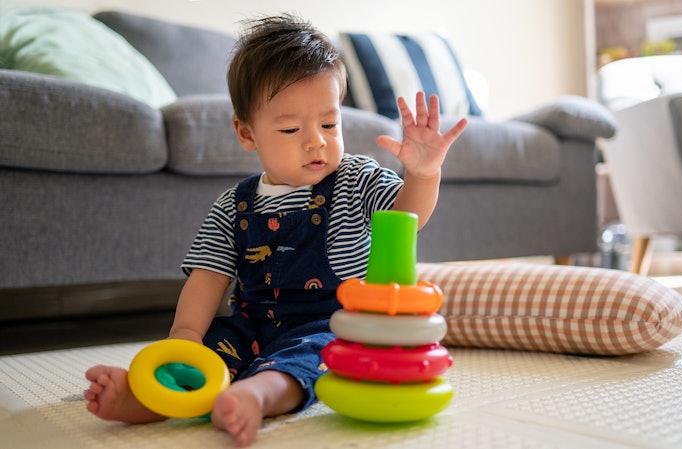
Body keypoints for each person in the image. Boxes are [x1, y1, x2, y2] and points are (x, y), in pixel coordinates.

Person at [84, 13, 467, 447]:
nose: (316, 141)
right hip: (252, 322)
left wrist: (422, 174)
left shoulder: (357, 179)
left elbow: (406, 217)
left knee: (310, 356)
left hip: (332, 323)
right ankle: (151, 399)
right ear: (247, 133)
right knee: (212, 347)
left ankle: (257, 395)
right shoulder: (234, 205)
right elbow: (208, 277)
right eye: (290, 129)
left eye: (329, 123)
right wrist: (185, 337)